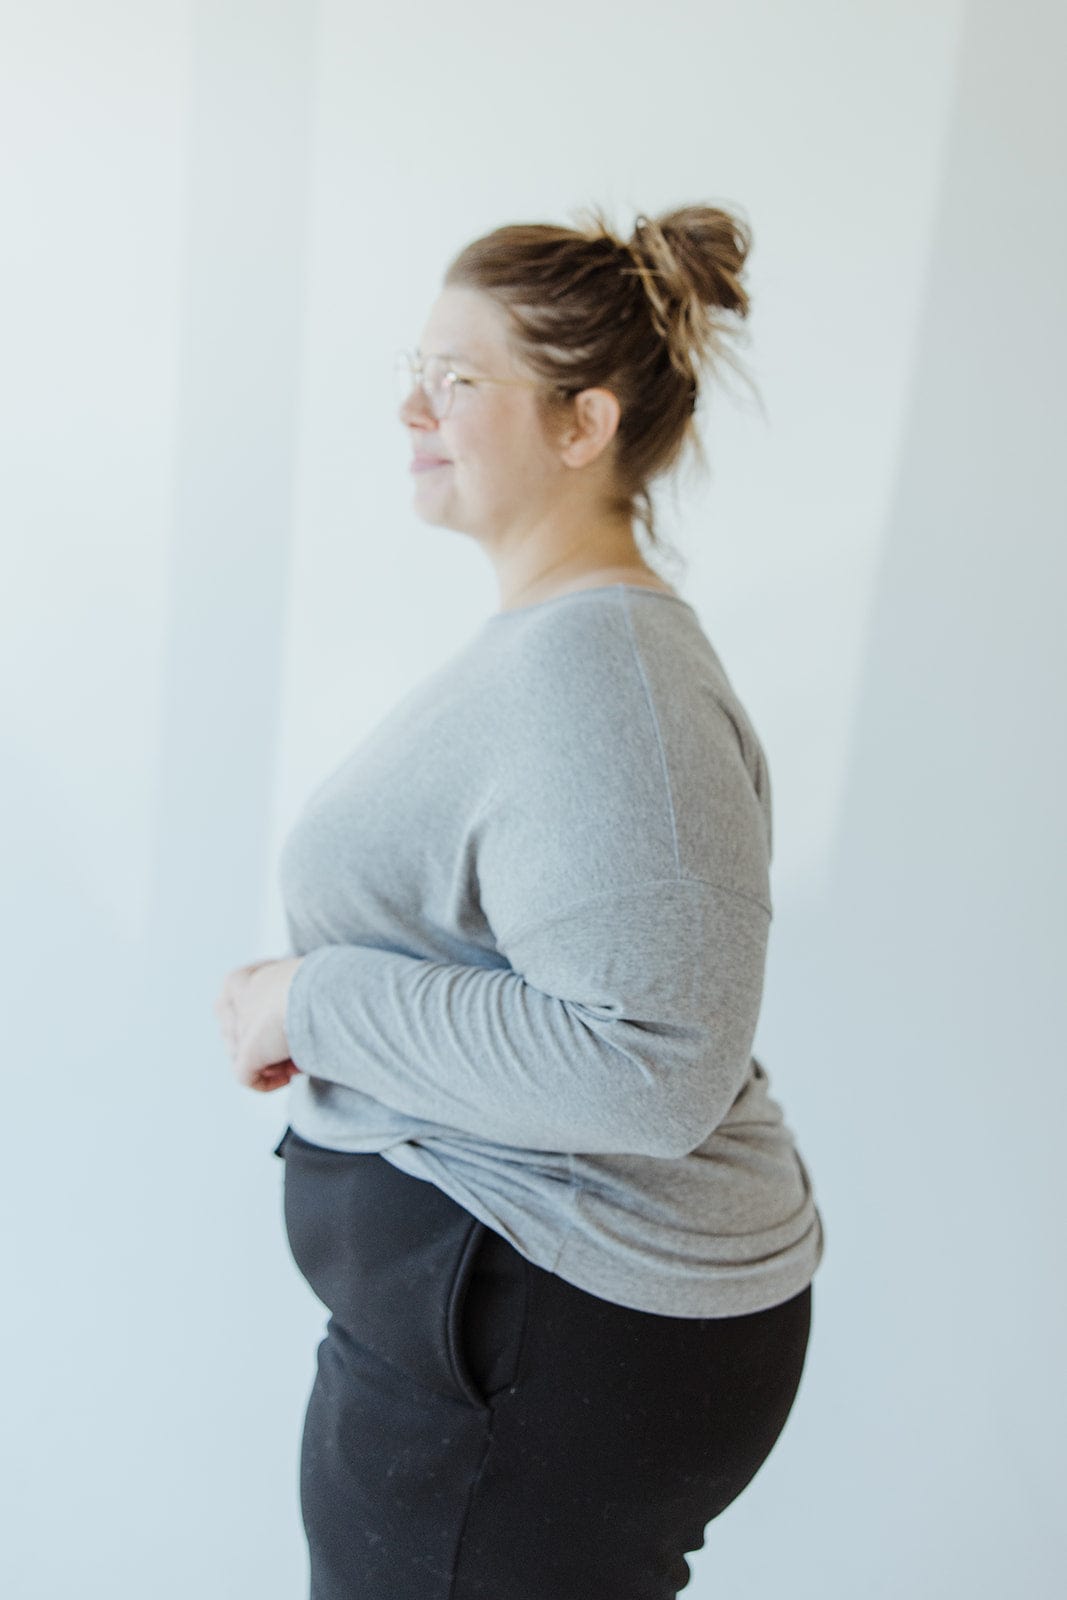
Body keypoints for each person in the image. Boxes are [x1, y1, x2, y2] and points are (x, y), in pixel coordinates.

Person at [214, 202, 825, 1600]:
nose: (414, 405)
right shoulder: (557, 647)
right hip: (498, 1340)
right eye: (414, 368)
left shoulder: (604, 677)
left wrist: (319, 1000)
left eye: (461, 376)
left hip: (533, 1343)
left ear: (582, 425)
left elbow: (655, 1065)